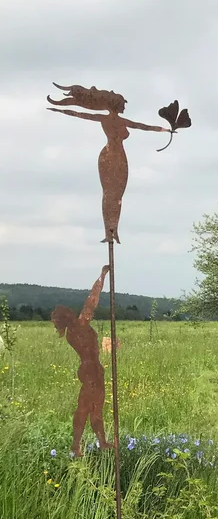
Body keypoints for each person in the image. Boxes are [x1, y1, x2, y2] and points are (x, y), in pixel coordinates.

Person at [47, 84, 169, 244]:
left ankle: (113, 230)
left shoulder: (118, 120)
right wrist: (59, 110)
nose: (124, 107)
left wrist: (164, 130)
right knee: (110, 194)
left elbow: (143, 126)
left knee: (117, 196)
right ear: (117, 105)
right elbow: (80, 114)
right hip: (110, 156)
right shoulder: (106, 119)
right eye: (123, 104)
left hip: (119, 157)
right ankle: (108, 231)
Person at [52, 265, 113, 457]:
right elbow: (92, 299)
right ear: (70, 316)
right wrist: (102, 277)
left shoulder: (71, 333)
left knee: (87, 407)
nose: (88, 314)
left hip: (89, 369)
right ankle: (89, 443)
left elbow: (91, 302)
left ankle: (83, 443)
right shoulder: (79, 327)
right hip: (92, 371)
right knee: (90, 407)